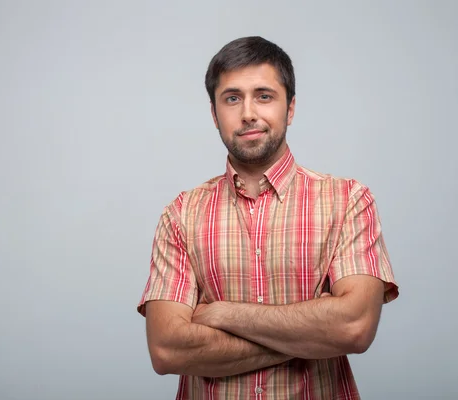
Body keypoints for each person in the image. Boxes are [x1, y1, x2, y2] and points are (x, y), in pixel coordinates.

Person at [136, 36, 399, 400]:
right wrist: (312, 335)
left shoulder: (349, 202)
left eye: (264, 95)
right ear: (214, 114)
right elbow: (167, 349)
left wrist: (225, 314)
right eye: (232, 98)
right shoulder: (181, 214)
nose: (248, 113)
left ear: (289, 108)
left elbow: (353, 327)